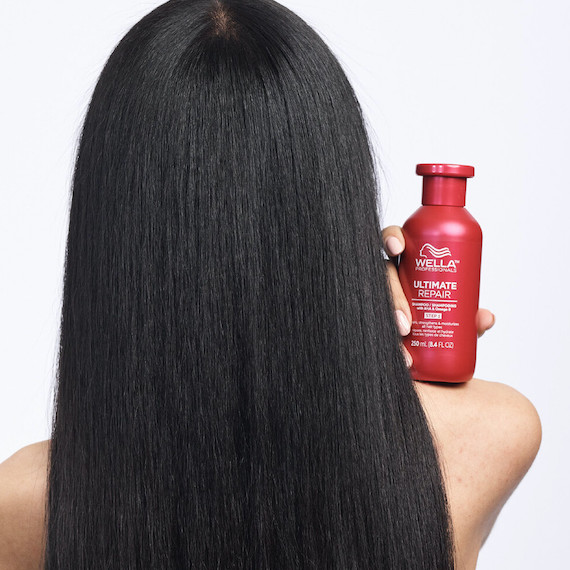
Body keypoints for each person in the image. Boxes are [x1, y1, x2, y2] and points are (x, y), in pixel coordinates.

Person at [0, 1, 541, 568]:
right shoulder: (493, 437)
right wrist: (378, 328)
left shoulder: (23, 504)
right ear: (337, 194)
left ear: (110, 229)